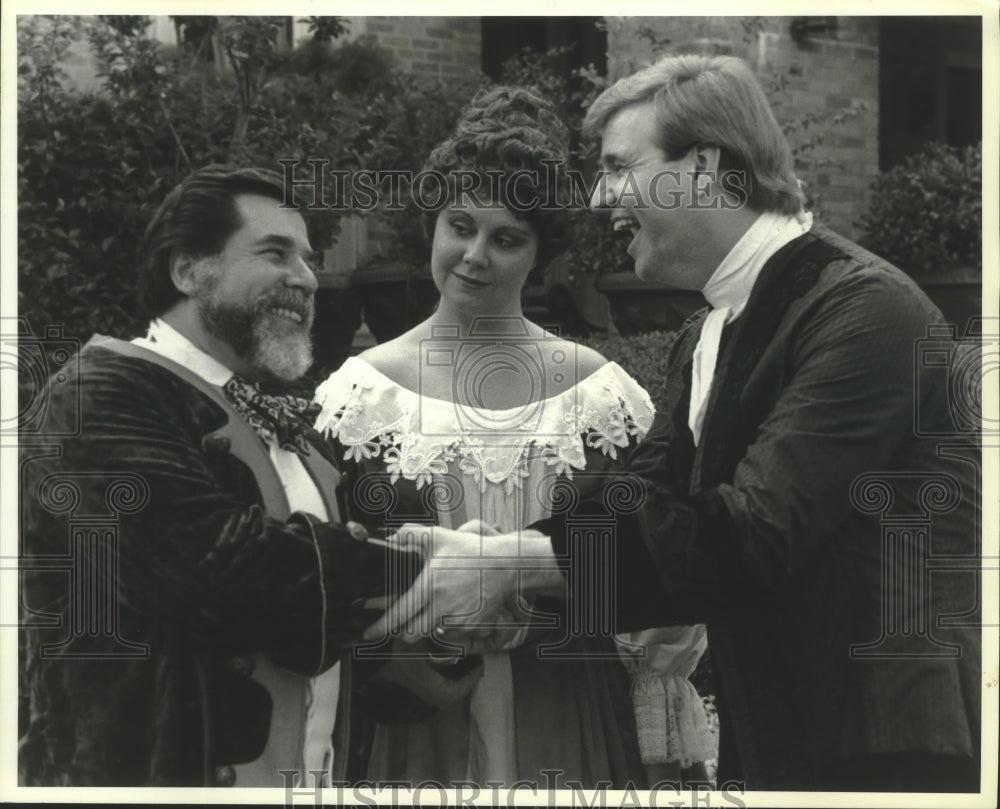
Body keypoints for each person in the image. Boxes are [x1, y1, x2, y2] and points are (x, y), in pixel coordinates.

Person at [372, 55, 982, 792]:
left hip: (890, 748)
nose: (601, 196)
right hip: (780, 734)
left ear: (702, 167)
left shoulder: (864, 308)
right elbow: (643, 507)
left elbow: (753, 530)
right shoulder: (707, 333)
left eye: (620, 167)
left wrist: (512, 565)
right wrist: (489, 547)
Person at [313, 86, 714, 788]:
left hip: (571, 714)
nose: (475, 255)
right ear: (431, 226)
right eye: (460, 226)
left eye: (506, 238)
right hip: (415, 725)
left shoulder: (600, 397)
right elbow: (327, 571)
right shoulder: (356, 395)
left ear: (541, 255)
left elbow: (659, 558)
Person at [18, 165, 422, 787]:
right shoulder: (95, 394)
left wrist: (444, 632)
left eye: (308, 260)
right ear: (187, 270)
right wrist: (428, 568)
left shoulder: (291, 429)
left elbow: (319, 631)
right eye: (275, 253)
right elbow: (220, 572)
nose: (307, 279)